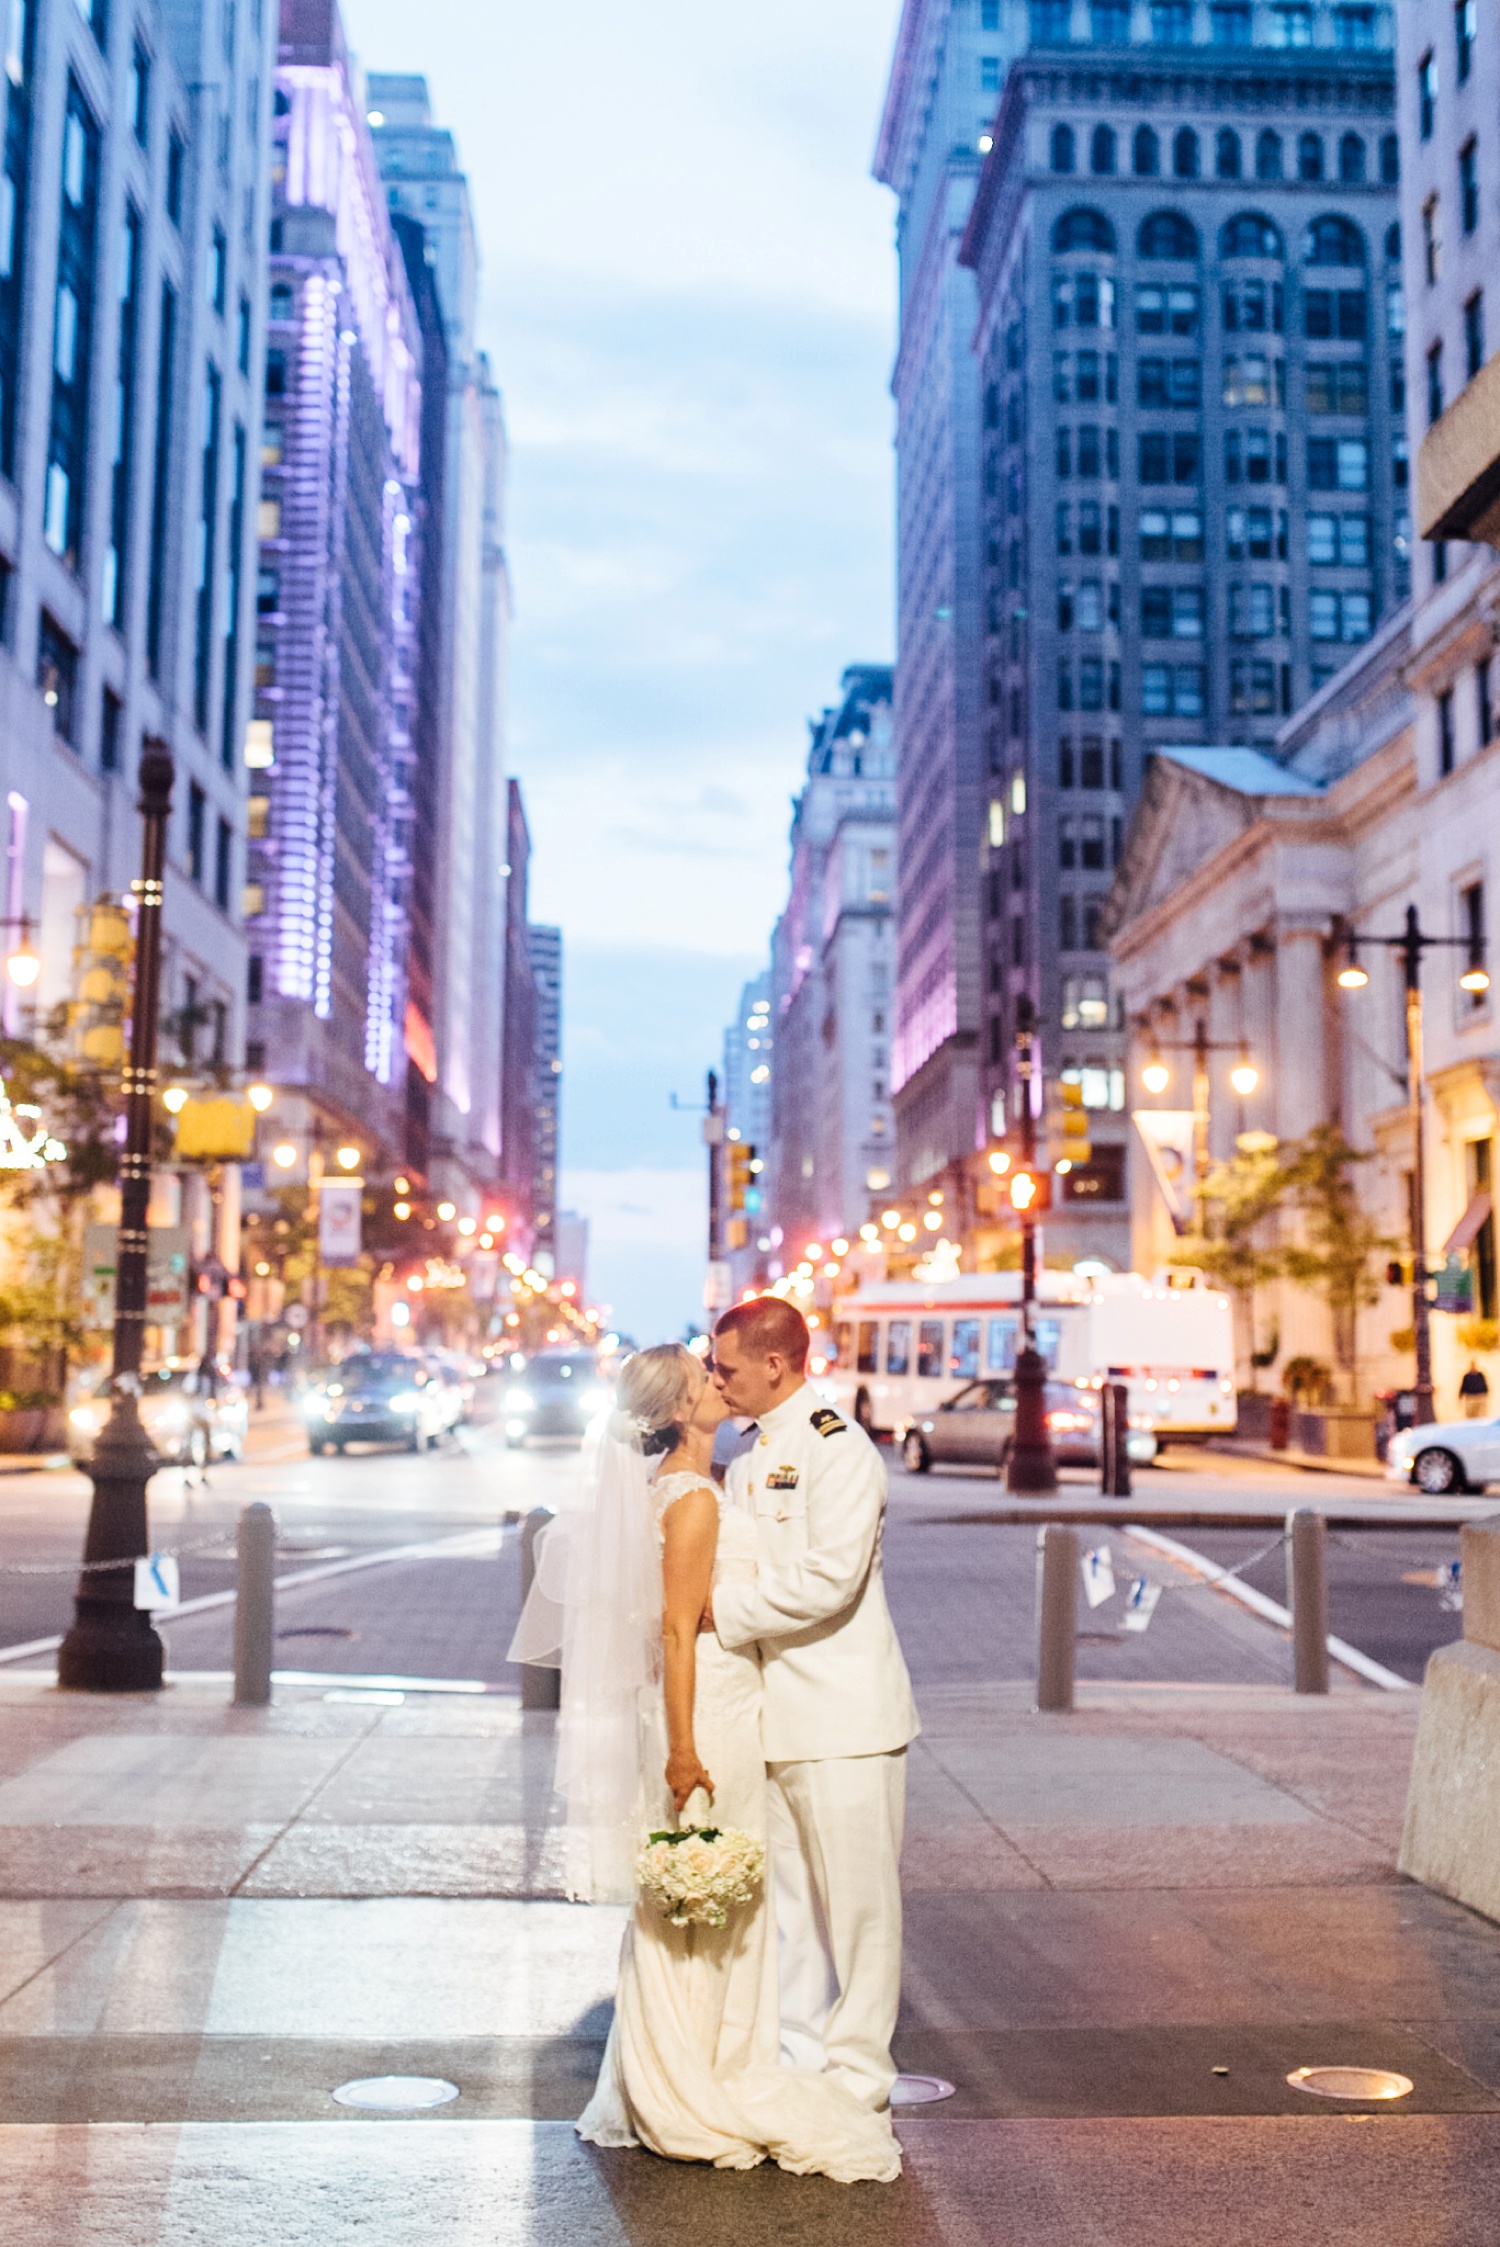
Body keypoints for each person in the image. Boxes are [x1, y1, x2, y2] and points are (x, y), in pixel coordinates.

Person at [508, 1342, 900, 2183]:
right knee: (706, 1893)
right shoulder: (692, 1497)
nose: (717, 1382)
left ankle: (699, 2057)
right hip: (709, 1715)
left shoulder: (703, 1481)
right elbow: (681, 1629)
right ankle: (695, 2075)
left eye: (721, 1369)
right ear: (680, 1408)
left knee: (707, 1896)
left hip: (724, 1706)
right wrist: (684, 1748)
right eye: (704, 1375)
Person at [706, 1298, 919, 2115]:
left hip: (845, 1721)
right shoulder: (757, 1451)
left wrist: (723, 1609)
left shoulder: (839, 1447)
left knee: (860, 1914)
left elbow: (833, 1578)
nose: (716, 1380)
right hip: (779, 1718)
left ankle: (859, 2078)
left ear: (774, 1363)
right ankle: (801, 2062)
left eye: (726, 1367)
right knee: (792, 1910)